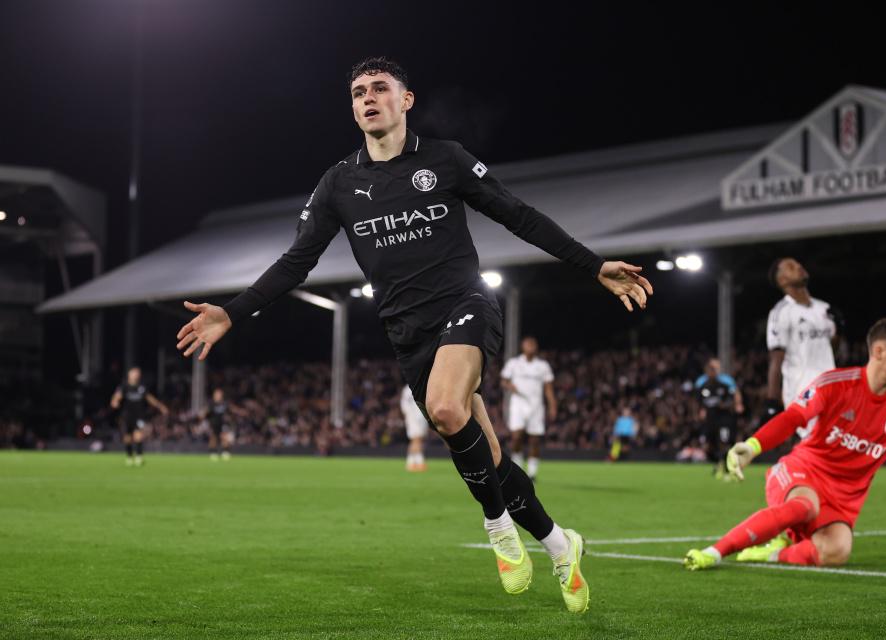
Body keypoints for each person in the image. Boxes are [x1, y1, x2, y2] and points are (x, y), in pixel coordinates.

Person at [174, 56, 653, 613]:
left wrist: (593, 265)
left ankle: (497, 528)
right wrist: (232, 313)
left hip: (466, 304)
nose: (368, 98)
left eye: (380, 88)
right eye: (358, 92)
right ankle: (559, 544)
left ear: (406, 100)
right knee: (492, 461)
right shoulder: (339, 182)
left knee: (446, 409)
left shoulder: (445, 159)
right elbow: (296, 261)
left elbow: (518, 215)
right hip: (407, 333)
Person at [683, 319, 886, 571]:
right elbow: (793, 417)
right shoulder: (836, 384)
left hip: (842, 501)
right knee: (804, 506)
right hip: (802, 473)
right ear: (879, 351)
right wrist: (753, 446)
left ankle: (773, 553)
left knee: (837, 551)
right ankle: (715, 552)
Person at [765, 258, 837, 437]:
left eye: (798, 264)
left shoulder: (824, 308)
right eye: (791, 267)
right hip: (802, 388)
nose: (798, 267)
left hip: (831, 385)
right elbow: (776, 359)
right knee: (815, 441)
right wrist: (772, 400)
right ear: (782, 280)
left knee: (837, 442)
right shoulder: (781, 311)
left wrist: (839, 331)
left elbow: (831, 348)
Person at [501, 336, 557, 481]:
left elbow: (548, 388)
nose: (531, 346)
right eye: (528, 344)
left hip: (536, 405)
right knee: (516, 437)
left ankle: (532, 473)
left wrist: (552, 406)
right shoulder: (514, 363)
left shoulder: (543, 366)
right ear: (523, 347)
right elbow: (504, 381)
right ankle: (518, 470)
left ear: (536, 347)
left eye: (533, 344)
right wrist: (509, 385)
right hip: (518, 404)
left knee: (535, 440)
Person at [694, 358, 743, 479]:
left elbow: (735, 393)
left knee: (724, 442)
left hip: (724, 418)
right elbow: (697, 400)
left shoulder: (726, 381)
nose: (713, 370)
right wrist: (699, 411)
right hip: (710, 419)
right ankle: (718, 463)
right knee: (708, 445)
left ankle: (726, 466)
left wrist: (738, 404)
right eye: (711, 368)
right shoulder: (701, 383)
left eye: (715, 368)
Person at [109, 366, 169, 467]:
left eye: (138, 373)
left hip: (139, 416)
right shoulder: (124, 386)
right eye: (134, 373)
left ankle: (139, 457)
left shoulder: (141, 387)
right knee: (127, 438)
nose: (136, 374)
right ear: (129, 374)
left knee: (138, 436)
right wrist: (114, 401)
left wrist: (161, 407)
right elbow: (117, 396)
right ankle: (129, 456)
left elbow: (150, 398)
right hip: (126, 416)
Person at [201, 388, 238, 461]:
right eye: (217, 394)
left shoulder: (224, 403)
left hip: (223, 423)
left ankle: (225, 452)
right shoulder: (211, 404)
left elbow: (231, 409)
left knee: (224, 436)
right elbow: (205, 412)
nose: (218, 396)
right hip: (214, 423)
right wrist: (202, 415)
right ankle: (213, 453)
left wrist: (238, 412)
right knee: (213, 438)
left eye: (219, 394)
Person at [400, 385, 428, 471]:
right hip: (413, 417)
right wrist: (408, 415)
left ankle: (412, 462)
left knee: (417, 439)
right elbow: (404, 405)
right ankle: (418, 462)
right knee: (416, 439)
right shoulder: (407, 389)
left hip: (421, 417)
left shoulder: (419, 385)